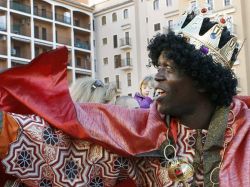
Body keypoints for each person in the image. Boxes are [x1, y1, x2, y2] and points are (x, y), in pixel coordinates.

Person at [0, 8, 250, 187]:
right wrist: (7, 127)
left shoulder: (244, 133)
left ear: (203, 81)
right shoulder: (145, 130)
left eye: (169, 69)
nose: (157, 77)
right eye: (158, 66)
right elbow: (80, 135)